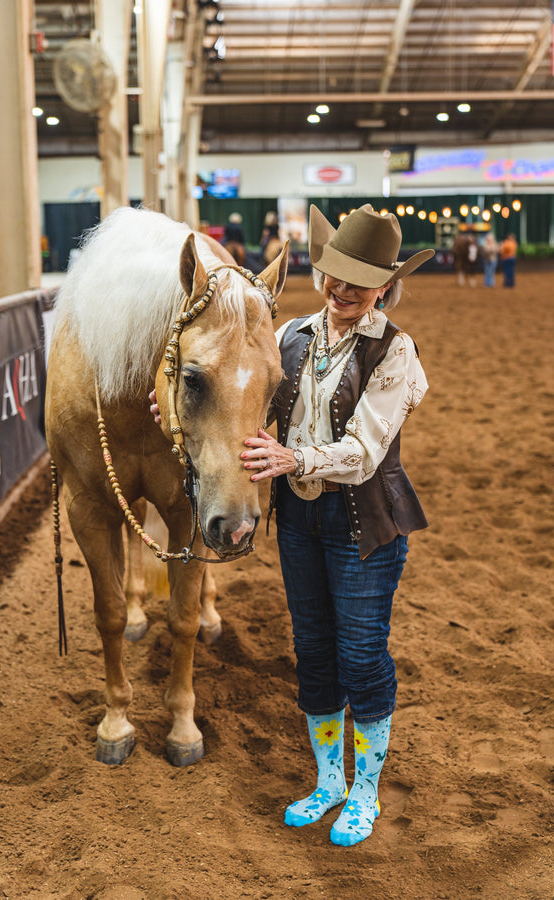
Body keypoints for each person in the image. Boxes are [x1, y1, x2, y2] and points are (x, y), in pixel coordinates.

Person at [239, 204, 434, 846]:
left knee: (360, 655)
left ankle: (365, 791)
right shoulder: (291, 334)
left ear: (385, 285)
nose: (342, 289)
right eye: (334, 273)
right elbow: (250, 404)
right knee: (315, 654)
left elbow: (365, 450)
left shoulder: (395, 350)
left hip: (365, 525)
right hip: (298, 520)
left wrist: (294, 457)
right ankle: (328, 781)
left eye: (359, 279)